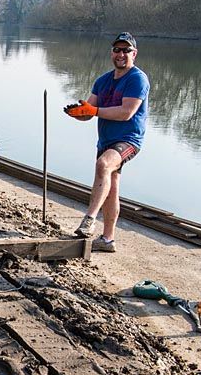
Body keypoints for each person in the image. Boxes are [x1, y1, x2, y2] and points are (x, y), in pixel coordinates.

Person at [63, 32, 150, 253]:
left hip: (128, 139)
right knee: (111, 187)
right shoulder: (102, 81)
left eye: (126, 50)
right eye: (117, 50)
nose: (121, 54)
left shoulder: (137, 79)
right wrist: (78, 113)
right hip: (106, 139)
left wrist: (94, 110)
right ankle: (108, 240)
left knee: (103, 165)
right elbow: (90, 111)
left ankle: (89, 220)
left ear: (134, 54)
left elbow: (126, 113)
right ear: (111, 53)